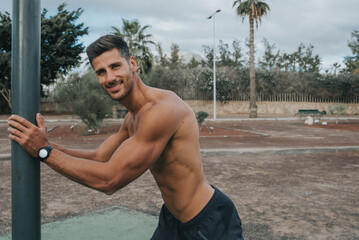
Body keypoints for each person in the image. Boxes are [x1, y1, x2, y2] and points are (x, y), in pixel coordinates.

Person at [8, 35, 243, 239]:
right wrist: (46, 144)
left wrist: (43, 153)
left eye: (115, 66)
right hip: (172, 219)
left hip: (207, 221)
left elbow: (109, 180)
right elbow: (100, 157)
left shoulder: (161, 111)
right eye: (101, 72)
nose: (109, 77)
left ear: (132, 64)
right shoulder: (133, 117)